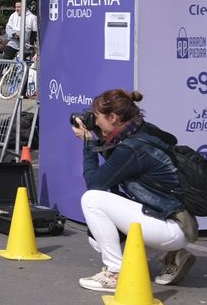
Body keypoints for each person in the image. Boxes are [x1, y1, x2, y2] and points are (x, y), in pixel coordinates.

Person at [70, 89, 198, 292]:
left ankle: (115, 273)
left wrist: (88, 142)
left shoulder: (131, 148)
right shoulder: (140, 131)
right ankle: (171, 254)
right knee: (96, 239)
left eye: (97, 117)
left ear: (113, 117)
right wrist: (99, 137)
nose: (95, 122)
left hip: (170, 226)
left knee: (91, 199)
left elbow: (95, 184)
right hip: (175, 221)